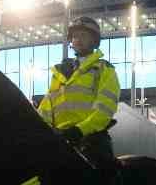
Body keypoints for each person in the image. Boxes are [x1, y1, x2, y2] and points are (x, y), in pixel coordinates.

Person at [37, 16, 120, 173]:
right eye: (75, 36)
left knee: (104, 178)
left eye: (84, 35)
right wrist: (42, 130)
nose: (78, 39)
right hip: (59, 140)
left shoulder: (104, 69)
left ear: (94, 41)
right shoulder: (59, 73)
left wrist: (80, 130)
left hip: (92, 139)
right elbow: (46, 108)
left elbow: (105, 109)